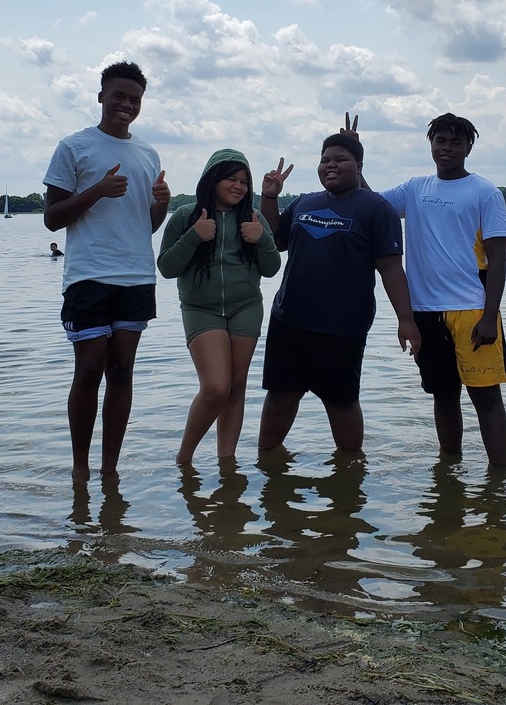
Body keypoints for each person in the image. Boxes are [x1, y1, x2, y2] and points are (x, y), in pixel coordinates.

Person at [359, 113, 506, 468]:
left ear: (469, 148)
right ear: (431, 144)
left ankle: (499, 478)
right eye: (441, 141)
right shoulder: (415, 189)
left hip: (473, 310)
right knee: (443, 395)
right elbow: (372, 205)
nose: (447, 148)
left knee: (486, 398)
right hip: (425, 311)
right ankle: (449, 470)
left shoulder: (485, 192)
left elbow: (499, 260)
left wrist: (490, 317)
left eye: (456, 142)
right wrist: (357, 157)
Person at [44, 61, 170, 483]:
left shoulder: (148, 154)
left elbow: (146, 225)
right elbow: (52, 219)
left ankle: (110, 470)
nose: (126, 104)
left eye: (135, 99)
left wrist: (163, 203)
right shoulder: (74, 147)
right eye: (119, 95)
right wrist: (97, 190)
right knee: (89, 370)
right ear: (101, 96)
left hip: (136, 276)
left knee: (122, 372)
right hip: (89, 275)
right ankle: (80, 468)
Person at [256, 135, 420, 453]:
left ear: (358, 166)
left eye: (340, 159)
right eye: (325, 159)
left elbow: (390, 268)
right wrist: (269, 197)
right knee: (281, 393)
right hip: (289, 321)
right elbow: (274, 240)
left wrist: (406, 320)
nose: (330, 165)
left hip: (342, 327)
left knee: (341, 401)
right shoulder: (304, 202)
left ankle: (350, 468)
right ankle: (268, 462)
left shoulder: (377, 209)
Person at [157, 150, 281, 464]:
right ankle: (184, 460)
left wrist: (262, 239)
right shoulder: (186, 215)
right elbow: (167, 268)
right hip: (201, 310)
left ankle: (227, 465)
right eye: (230, 178)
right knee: (215, 387)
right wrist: (193, 237)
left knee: (236, 387)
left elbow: (271, 269)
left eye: (244, 181)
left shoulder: (253, 218)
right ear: (212, 179)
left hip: (246, 308)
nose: (238, 186)